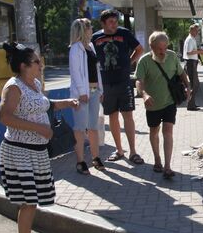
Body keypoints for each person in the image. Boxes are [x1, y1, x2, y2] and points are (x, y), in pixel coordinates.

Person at [0, 42, 79, 233]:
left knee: (31, 201)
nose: (40, 65)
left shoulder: (33, 83)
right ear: (23, 65)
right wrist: (40, 129)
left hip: (36, 152)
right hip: (19, 152)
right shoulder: (13, 86)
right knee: (29, 202)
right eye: (36, 62)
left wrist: (67, 104)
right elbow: (4, 117)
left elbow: (44, 105)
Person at [91, 9, 145, 164]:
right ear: (103, 23)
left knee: (128, 115)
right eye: (111, 22)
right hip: (106, 84)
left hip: (123, 81)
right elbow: (92, 62)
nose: (114, 24)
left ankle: (133, 152)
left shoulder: (124, 33)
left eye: (116, 21)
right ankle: (119, 150)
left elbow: (139, 49)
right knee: (112, 116)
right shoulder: (95, 38)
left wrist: (129, 62)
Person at [135, 31, 190, 179]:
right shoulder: (144, 61)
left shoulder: (172, 56)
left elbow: (181, 73)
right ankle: (157, 159)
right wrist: (144, 95)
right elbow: (138, 81)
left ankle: (167, 166)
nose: (162, 51)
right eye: (159, 48)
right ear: (151, 46)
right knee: (154, 132)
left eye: (165, 47)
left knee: (168, 131)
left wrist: (188, 86)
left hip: (169, 102)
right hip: (152, 104)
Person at [69, 18, 104, 175]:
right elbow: (76, 72)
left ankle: (96, 158)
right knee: (80, 128)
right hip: (82, 93)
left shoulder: (90, 47)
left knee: (93, 126)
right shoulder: (75, 49)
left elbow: (96, 70)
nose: (92, 29)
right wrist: (82, 92)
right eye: (89, 27)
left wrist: (101, 90)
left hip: (95, 90)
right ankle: (80, 161)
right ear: (83, 29)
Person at [183, 24, 203, 111]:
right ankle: (190, 104)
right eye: (196, 31)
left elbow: (191, 53)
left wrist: (197, 58)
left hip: (192, 62)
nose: (197, 32)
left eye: (198, 31)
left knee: (194, 84)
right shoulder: (190, 39)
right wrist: (200, 52)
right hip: (190, 63)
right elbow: (189, 52)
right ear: (191, 30)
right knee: (195, 84)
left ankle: (192, 104)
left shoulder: (191, 39)